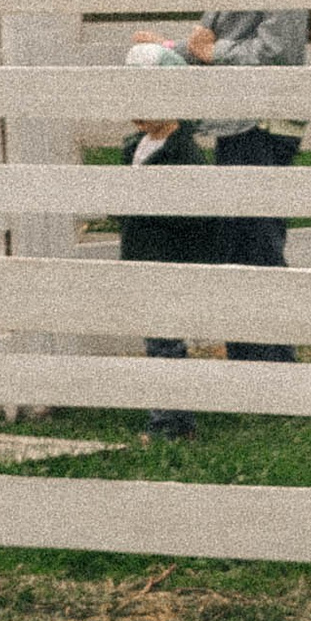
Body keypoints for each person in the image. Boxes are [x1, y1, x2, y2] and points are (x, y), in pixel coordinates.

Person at [182, 0, 306, 363]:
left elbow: (279, 48)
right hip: (238, 116)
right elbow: (217, 30)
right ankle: (253, 367)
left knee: (255, 243)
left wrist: (216, 51)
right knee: (237, 242)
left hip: (265, 117)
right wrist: (177, 48)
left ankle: (271, 369)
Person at [116, 79, 218, 444]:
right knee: (156, 339)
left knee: (165, 342)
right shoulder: (137, 146)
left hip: (167, 256)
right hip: (140, 253)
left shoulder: (183, 152)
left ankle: (169, 423)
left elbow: (196, 215)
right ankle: (173, 417)